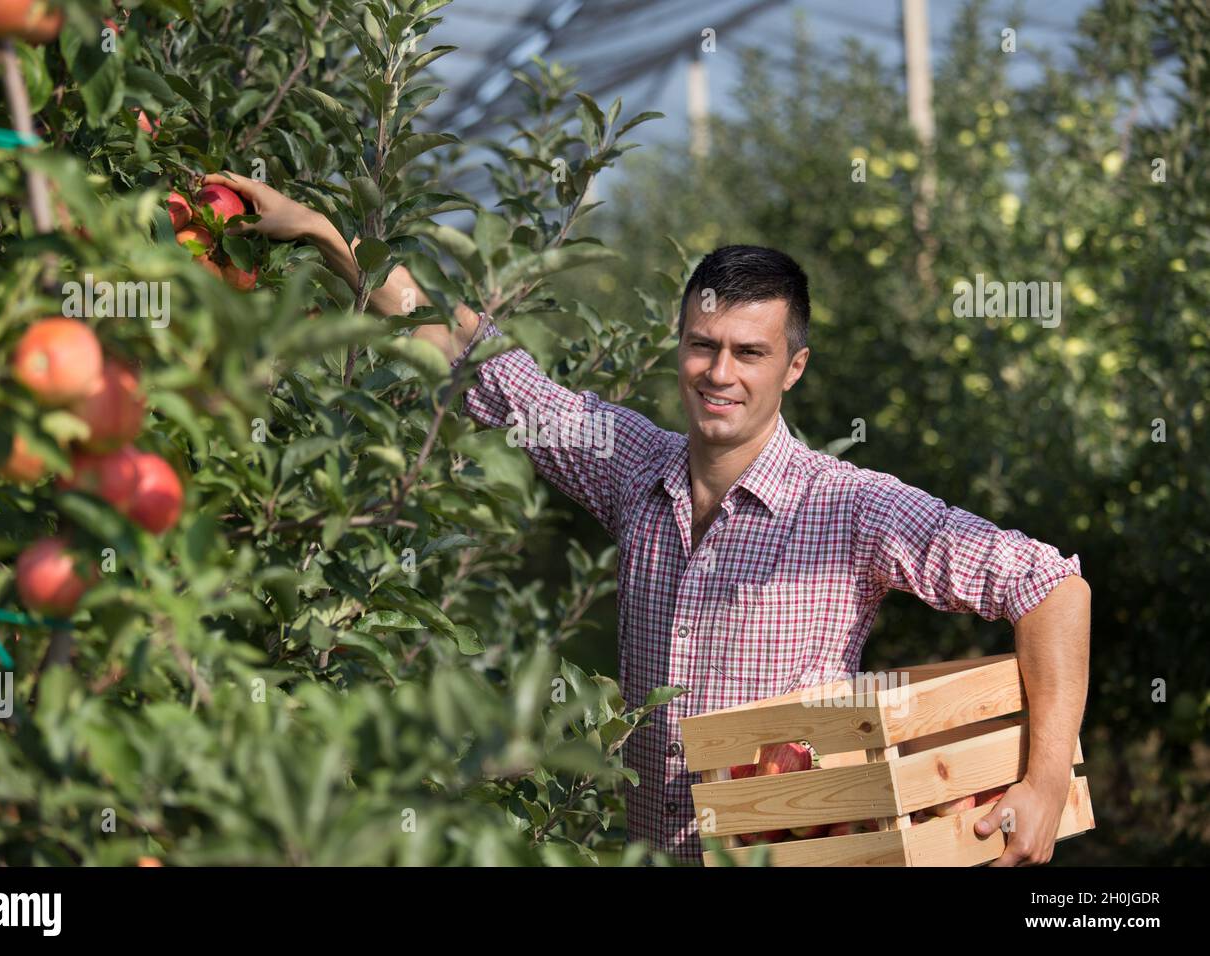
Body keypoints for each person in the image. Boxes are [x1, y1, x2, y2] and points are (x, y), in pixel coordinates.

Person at [203, 172, 1092, 866]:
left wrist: (1046, 780)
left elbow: (1050, 584)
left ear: (795, 369)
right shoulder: (634, 465)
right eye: (703, 345)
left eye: (751, 353)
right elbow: (473, 360)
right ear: (681, 345)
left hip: (793, 857)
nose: (721, 372)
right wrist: (327, 235)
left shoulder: (849, 507)